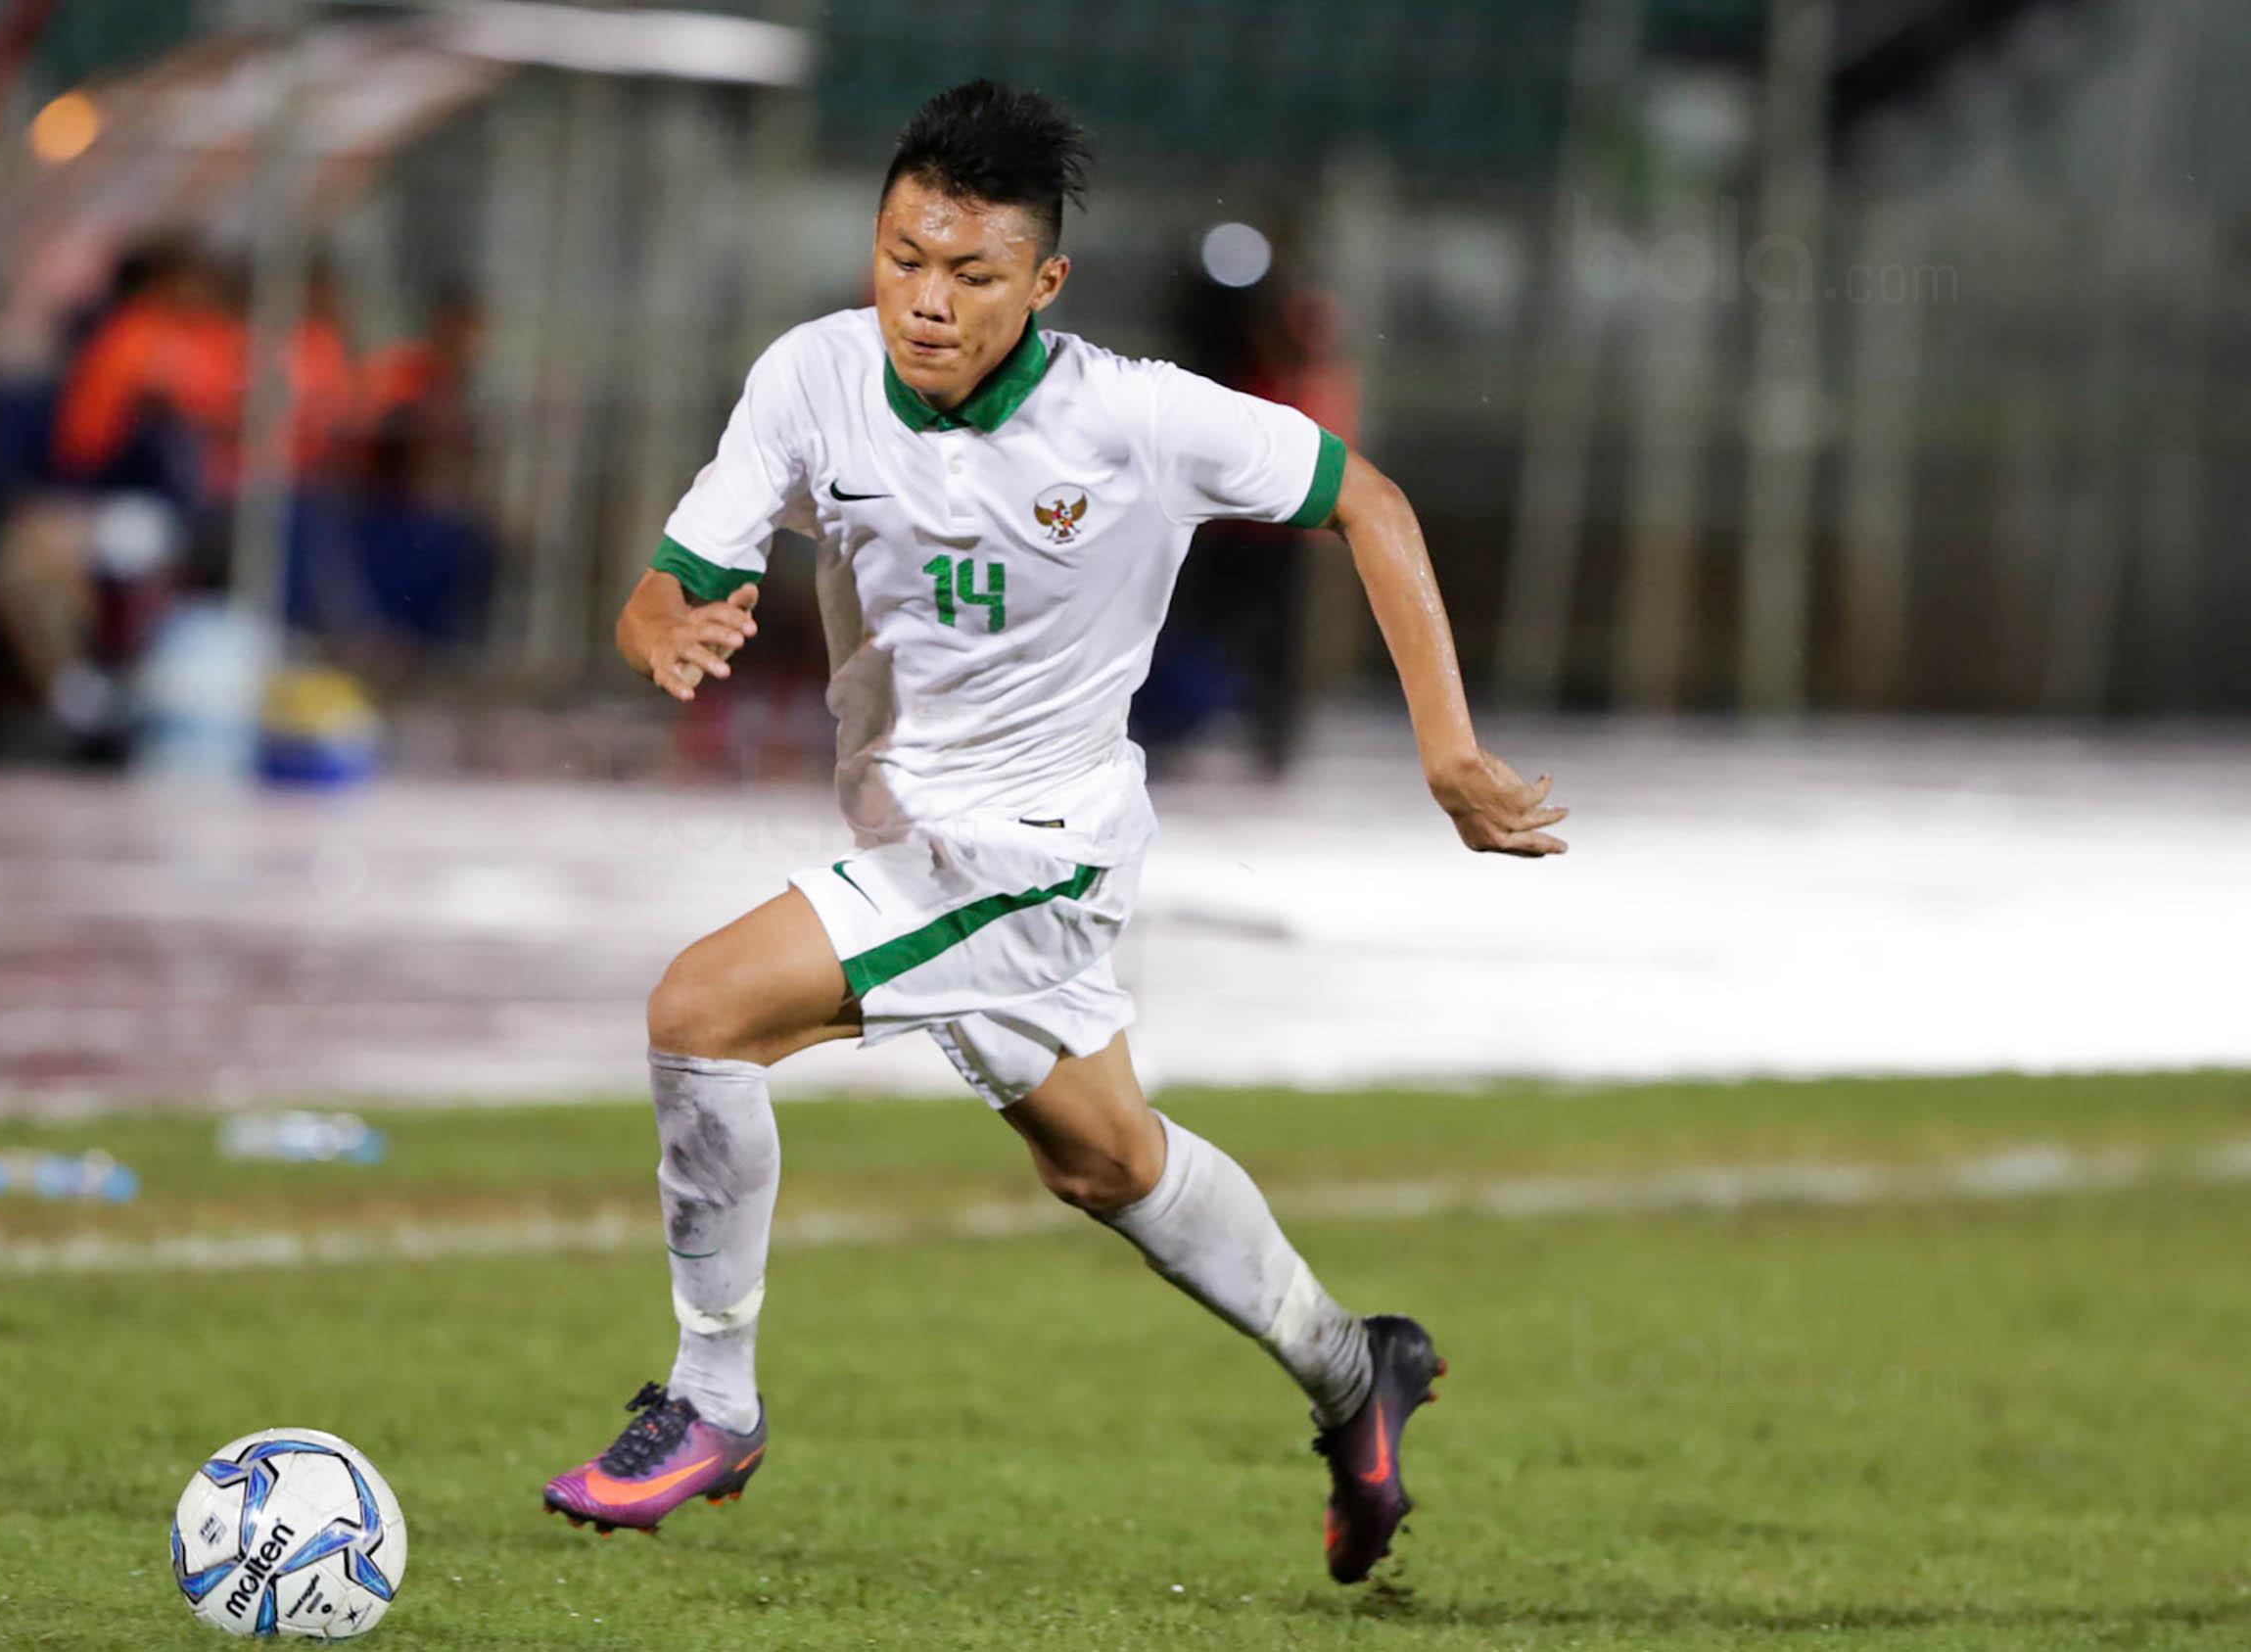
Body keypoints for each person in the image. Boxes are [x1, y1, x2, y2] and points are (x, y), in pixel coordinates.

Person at [539, 82, 1567, 1586]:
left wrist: (1449, 748)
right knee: (1105, 1162)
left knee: (700, 1013)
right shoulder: (812, 376)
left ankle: (711, 1400)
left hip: (1034, 850)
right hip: (916, 839)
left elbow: (1376, 504)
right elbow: (669, 576)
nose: (928, 302)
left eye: (970, 274)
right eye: (903, 258)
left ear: (1045, 284)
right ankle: (1356, 1366)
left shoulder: (1139, 417)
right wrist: (659, 626)